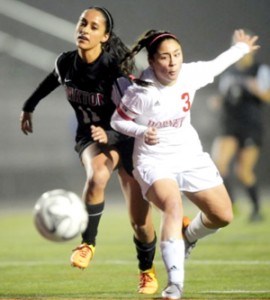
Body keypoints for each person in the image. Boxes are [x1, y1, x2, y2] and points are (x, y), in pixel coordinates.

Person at [110, 29, 259, 299]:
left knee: (223, 216)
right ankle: (174, 284)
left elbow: (216, 65)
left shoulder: (189, 74)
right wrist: (141, 132)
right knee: (172, 205)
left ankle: (187, 237)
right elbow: (117, 121)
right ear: (152, 62)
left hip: (190, 156)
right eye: (165, 57)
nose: (172, 63)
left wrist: (240, 49)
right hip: (154, 160)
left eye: (177, 55)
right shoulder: (141, 91)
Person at [20, 6, 158, 295]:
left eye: (94, 27)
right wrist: (29, 106)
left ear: (105, 36)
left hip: (125, 137)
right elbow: (52, 80)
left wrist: (109, 132)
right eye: (83, 23)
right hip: (90, 136)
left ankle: (147, 270)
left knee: (140, 222)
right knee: (96, 175)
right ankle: (87, 243)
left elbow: (135, 115)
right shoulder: (65, 63)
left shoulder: (114, 69)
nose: (85, 29)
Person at [210, 30, 270, 222]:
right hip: (229, 124)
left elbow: (267, 96)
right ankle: (230, 203)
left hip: (250, 126)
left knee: (243, 171)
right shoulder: (228, 71)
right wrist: (218, 100)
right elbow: (226, 95)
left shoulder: (260, 70)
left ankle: (256, 210)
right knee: (219, 165)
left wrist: (256, 89)